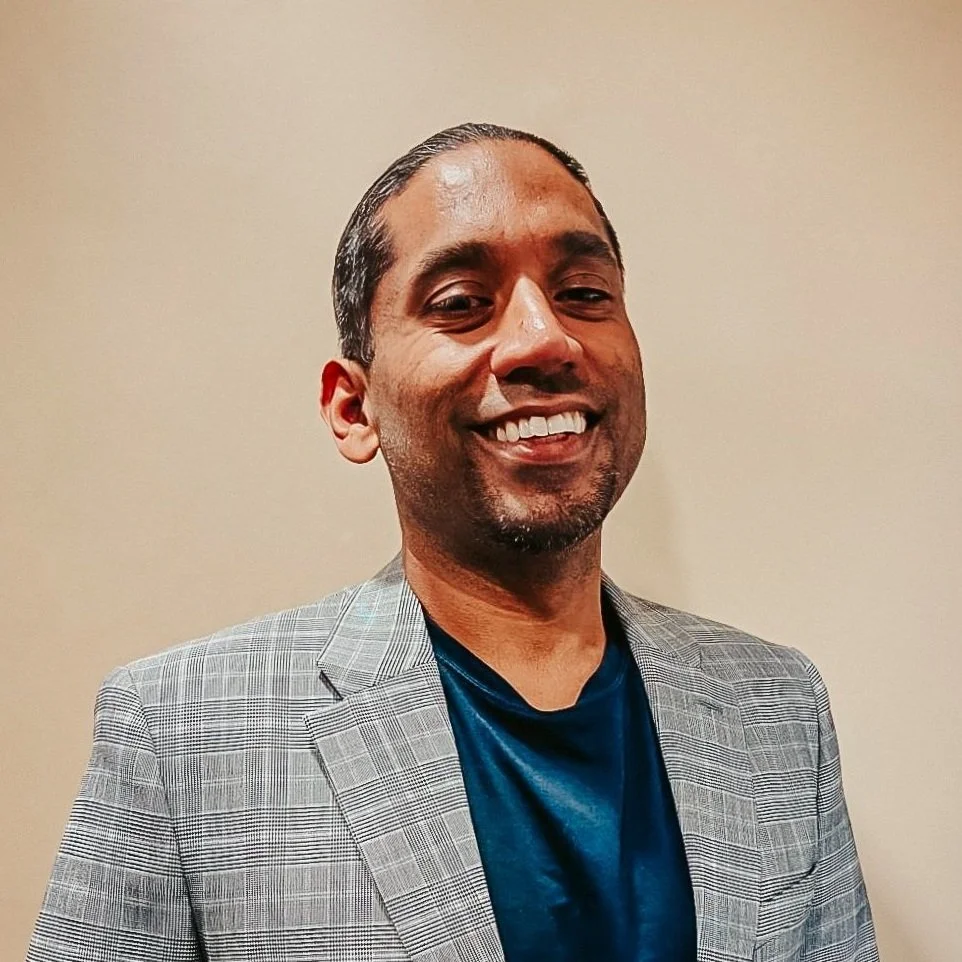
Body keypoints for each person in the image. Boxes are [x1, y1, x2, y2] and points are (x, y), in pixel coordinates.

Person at [28, 123, 878, 962]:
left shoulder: (777, 707)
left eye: (585, 293)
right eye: (462, 303)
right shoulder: (180, 731)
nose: (546, 339)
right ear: (353, 408)